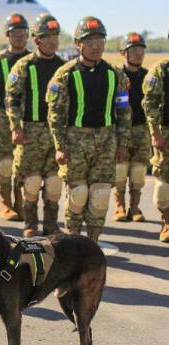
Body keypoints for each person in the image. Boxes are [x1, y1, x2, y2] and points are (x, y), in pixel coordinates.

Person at [47, 16, 131, 243]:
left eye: (100, 40)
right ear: (78, 43)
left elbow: (124, 111)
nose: (96, 45)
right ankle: (72, 242)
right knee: (78, 194)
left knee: (101, 195)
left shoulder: (116, 74)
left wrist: (123, 144)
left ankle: (92, 244)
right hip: (75, 141)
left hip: (106, 141)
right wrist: (59, 146)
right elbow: (55, 114)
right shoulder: (64, 75)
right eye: (90, 40)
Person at [5, 14, 65, 236]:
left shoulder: (64, 67)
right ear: (36, 40)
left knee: (54, 182)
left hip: (56, 134)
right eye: (47, 37)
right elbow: (11, 98)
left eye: (55, 37)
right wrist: (15, 127)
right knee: (31, 182)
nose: (53, 41)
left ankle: (50, 224)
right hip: (30, 132)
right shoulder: (24, 66)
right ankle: (30, 224)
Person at [0, 13, 30, 220]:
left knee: (24, 164)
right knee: (5, 163)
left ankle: (21, 202)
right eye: (14, 32)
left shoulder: (32, 60)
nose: (18, 36)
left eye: (22, 32)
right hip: (1, 118)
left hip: (28, 120)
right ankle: (6, 203)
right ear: (7, 35)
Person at [112, 32, 149, 222]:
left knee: (138, 171)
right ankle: (119, 206)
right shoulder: (116, 76)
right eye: (133, 50)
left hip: (143, 130)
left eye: (141, 49)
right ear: (123, 53)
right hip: (120, 130)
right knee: (120, 170)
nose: (138, 54)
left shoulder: (149, 76)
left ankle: (135, 208)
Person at [141, 36, 169, 241]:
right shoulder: (160, 70)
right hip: (165, 132)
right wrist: (155, 133)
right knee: (164, 181)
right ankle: (167, 221)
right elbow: (149, 104)